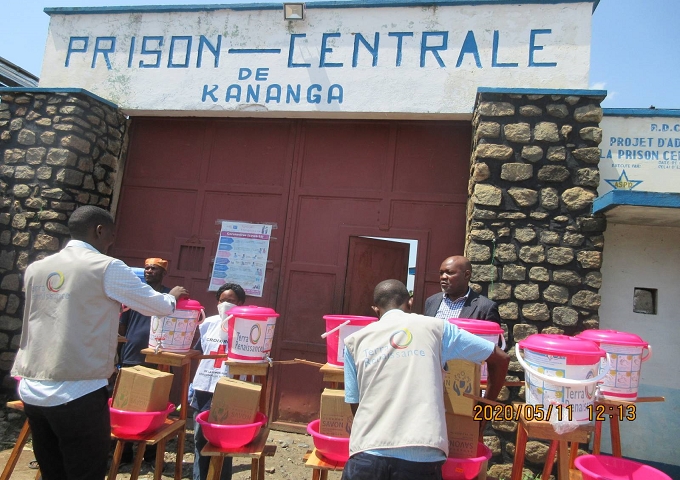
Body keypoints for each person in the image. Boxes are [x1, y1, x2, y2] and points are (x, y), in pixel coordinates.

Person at [11, 206, 189, 480]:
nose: (111, 242)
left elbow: (63, 310)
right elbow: (157, 306)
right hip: (77, 390)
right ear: (99, 230)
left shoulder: (37, 268)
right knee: (86, 471)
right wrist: (172, 297)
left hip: (32, 388)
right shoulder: (106, 266)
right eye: (111, 235)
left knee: (53, 470)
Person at [342, 279, 509, 480]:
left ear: (375, 309)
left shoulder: (353, 341)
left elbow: (356, 405)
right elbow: (501, 358)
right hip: (422, 456)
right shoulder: (437, 329)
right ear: (410, 302)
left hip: (366, 453)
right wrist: (484, 411)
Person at [117, 257, 171, 464]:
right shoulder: (135, 295)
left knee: (154, 408)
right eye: (147, 268)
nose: (148, 271)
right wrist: (118, 354)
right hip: (132, 355)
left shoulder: (170, 297)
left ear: (163, 273)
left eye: (154, 269)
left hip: (158, 357)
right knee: (128, 405)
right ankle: (124, 453)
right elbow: (123, 326)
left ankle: (150, 454)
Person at [190, 282, 246, 480]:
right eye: (222, 300)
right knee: (200, 437)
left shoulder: (248, 325)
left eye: (231, 301)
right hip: (204, 388)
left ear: (240, 303)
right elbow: (199, 350)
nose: (225, 304)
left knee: (225, 440)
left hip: (230, 390)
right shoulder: (207, 324)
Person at [424, 256, 500, 322]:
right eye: (441, 273)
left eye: (449, 272)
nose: (443, 277)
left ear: (466, 275)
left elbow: (491, 334)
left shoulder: (485, 307)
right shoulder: (432, 301)